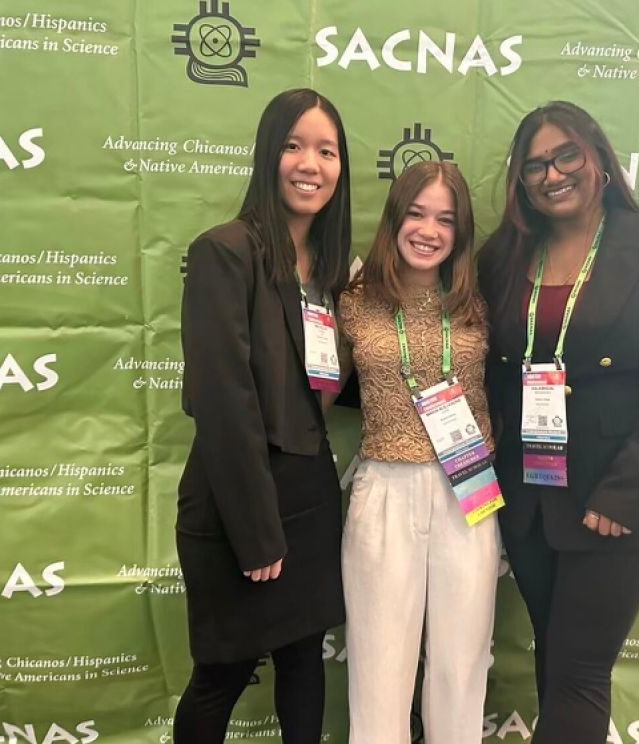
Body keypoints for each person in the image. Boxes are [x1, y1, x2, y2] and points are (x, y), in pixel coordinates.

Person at [477, 100, 639, 742]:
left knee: (577, 671)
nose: (552, 174)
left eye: (565, 156)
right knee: (559, 664)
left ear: (599, 158)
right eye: (535, 166)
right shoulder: (502, 257)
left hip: (615, 503)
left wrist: (625, 492)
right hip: (529, 500)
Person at [173, 88, 351, 744]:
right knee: (222, 673)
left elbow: (335, 385)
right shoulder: (225, 252)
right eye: (294, 145)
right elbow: (224, 402)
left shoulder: (333, 273)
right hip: (239, 502)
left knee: (304, 661)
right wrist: (256, 532)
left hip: (310, 494)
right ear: (267, 154)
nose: (311, 164)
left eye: (327, 151)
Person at [338, 160, 501, 744]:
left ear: (460, 231)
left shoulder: (478, 299)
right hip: (384, 484)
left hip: (469, 486)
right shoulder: (354, 299)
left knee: (461, 665)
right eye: (416, 213)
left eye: (446, 219)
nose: (429, 230)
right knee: (379, 667)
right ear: (394, 219)